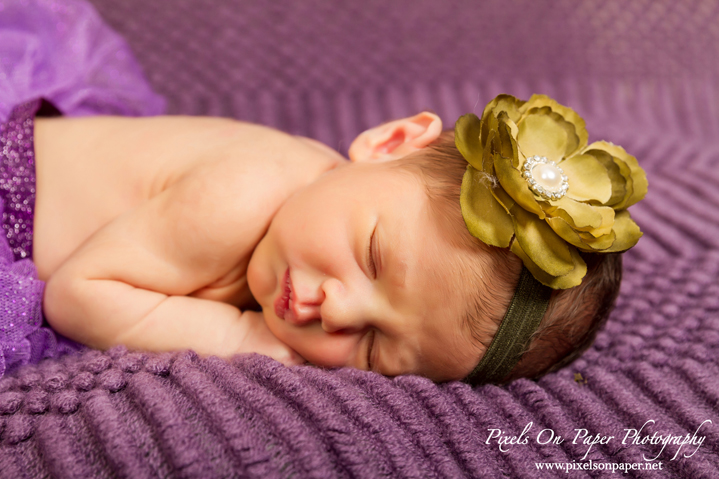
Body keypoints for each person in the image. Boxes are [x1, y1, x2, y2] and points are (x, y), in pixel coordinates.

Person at [23, 93, 645, 384]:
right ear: (388, 144)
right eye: (373, 257)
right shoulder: (243, 193)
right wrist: (238, 335)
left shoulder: (315, 220)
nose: (339, 313)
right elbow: (78, 293)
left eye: (374, 348)